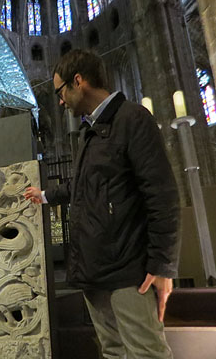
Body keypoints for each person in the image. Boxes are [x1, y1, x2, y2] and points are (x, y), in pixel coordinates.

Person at [24, 49, 180, 359]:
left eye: (59, 91)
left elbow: (162, 195)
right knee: (112, 351)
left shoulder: (132, 118)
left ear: (78, 81)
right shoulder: (89, 132)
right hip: (93, 269)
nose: (59, 101)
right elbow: (82, 187)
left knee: (145, 353)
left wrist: (163, 265)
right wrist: (44, 195)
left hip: (127, 271)